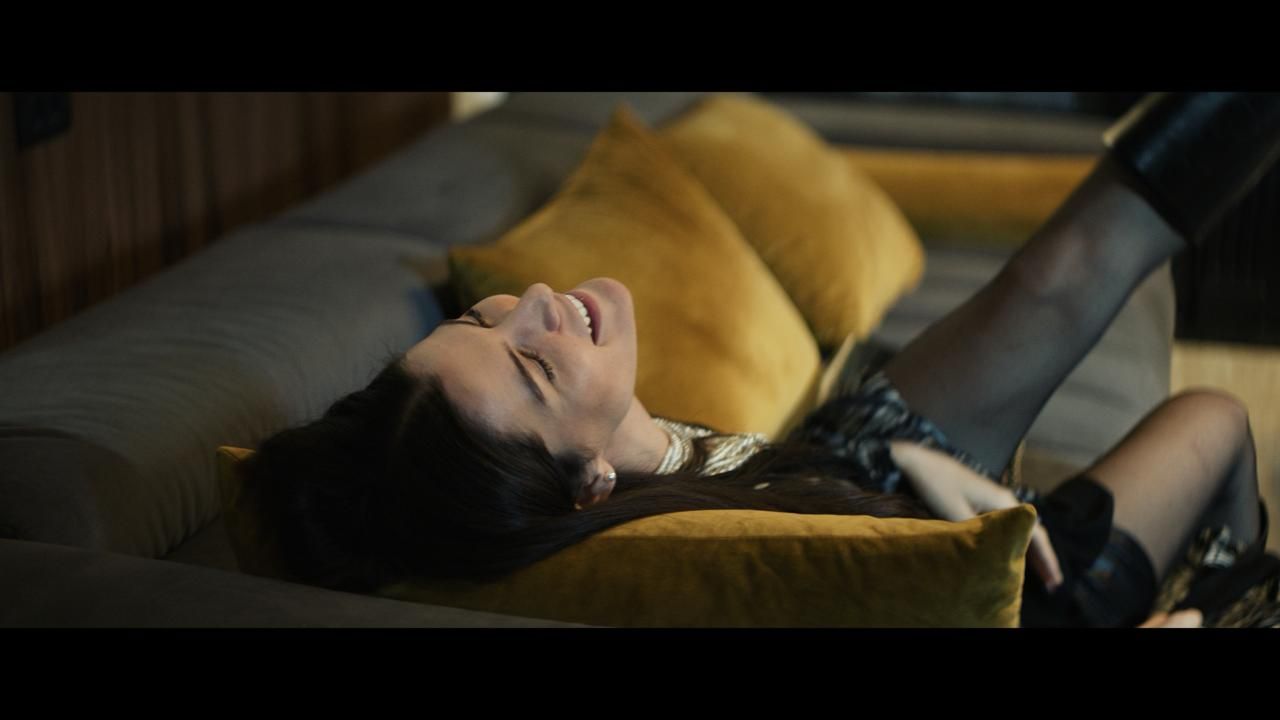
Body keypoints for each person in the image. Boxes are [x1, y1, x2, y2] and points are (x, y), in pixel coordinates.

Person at [245, 93, 1280, 628]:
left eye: (484, 318)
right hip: (948, 578)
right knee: (1216, 421)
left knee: (1065, 268)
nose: (540, 306)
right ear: (589, 484)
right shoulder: (699, 565)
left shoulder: (600, 473)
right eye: (535, 368)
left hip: (848, 463)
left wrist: (915, 467)